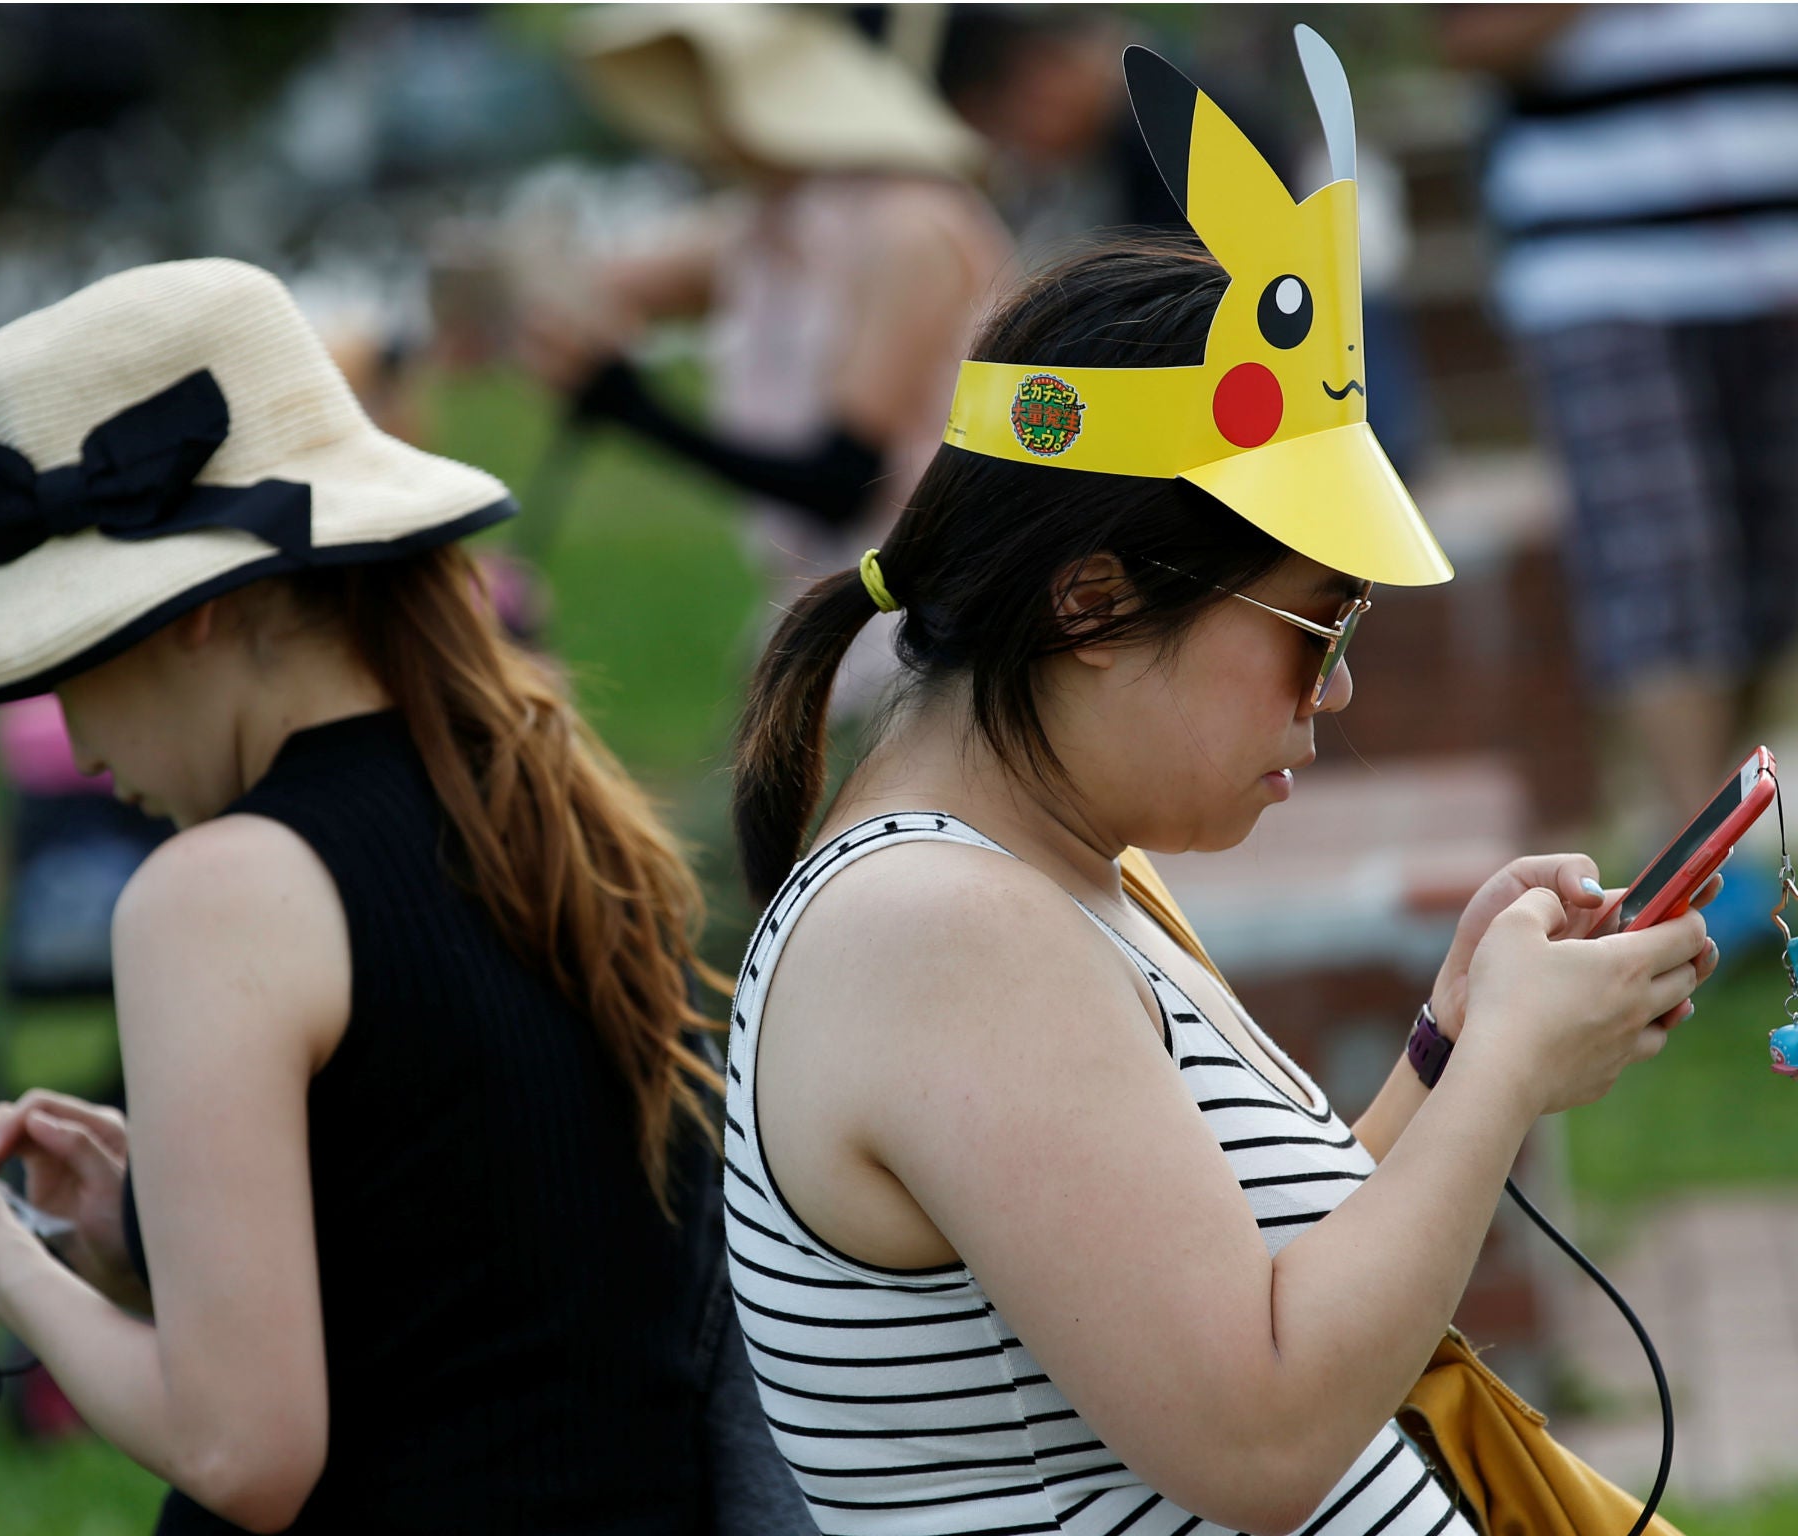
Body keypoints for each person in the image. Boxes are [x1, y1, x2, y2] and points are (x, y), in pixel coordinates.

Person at [719, 35, 1719, 1536]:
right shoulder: (935, 933)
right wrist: (1506, 1070)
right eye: (1320, 625)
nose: (1340, 687)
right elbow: (1255, 1438)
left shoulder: (1039, 881)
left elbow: (1254, 1282)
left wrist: (1452, 1049)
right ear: (1093, 605)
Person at [0, 258, 773, 1534]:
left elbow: (242, 1452)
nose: (75, 740)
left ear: (190, 613)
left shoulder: (218, 895)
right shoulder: (546, 803)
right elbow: (481, 1272)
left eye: (62, 660)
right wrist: (154, 1232)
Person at [520, 3, 1015, 717]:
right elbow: (603, 286)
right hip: (824, 637)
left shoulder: (909, 227)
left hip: (930, 648)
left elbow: (841, 480)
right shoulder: (766, 227)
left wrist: (638, 411)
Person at [1444, 4, 1798, 877]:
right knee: (1663, 557)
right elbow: (1465, 34)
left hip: (1775, 250)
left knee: (1769, 571)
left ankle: (1723, 833)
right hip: (1599, 262)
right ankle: (1699, 865)